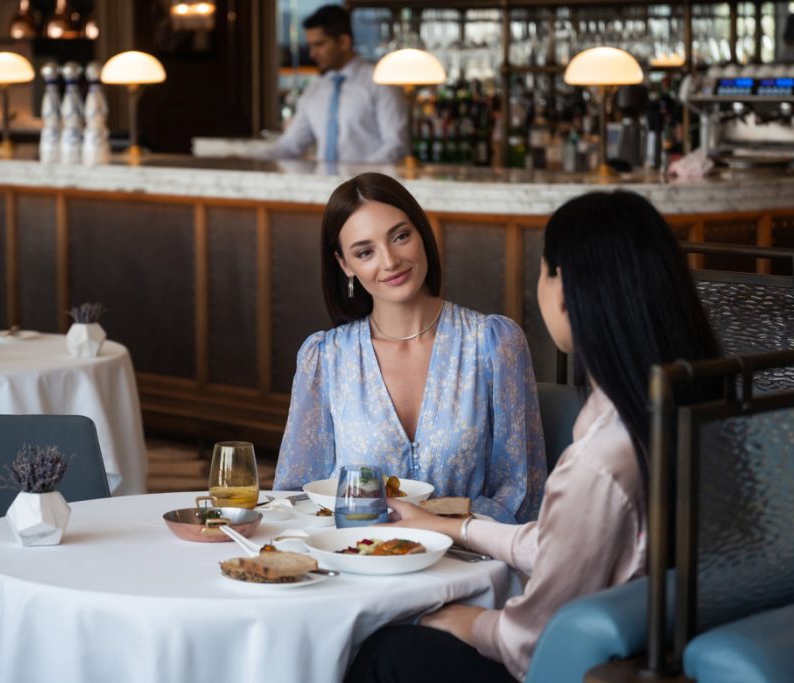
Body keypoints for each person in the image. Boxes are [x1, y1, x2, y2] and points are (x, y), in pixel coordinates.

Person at [345, 190, 722, 682]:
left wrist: (470, 623)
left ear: (564, 290)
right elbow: (568, 544)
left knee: (380, 651)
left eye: (544, 268)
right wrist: (456, 526)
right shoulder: (694, 409)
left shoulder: (599, 459)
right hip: (669, 647)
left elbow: (533, 642)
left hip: (577, 669)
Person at [274, 172, 546, 524]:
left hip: (468, 562)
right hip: (359, 561)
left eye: (400, 236)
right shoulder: (325, 359)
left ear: (422, 233)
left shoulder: (494, 343)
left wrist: (448, 530)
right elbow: (297, 494)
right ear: (345, 266)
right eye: (365, 251)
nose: (390, 261)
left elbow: (522, 491)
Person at [264, 5, 408, 164]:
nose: (312, 53)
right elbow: (290, 146)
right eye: (310, 45)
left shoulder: (380, 83)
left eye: (319, 44)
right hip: (324, 186)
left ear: (344, 42)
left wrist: (357, 178)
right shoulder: (315, 90)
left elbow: (396, 145)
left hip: (366, 186)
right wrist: (244, 157)